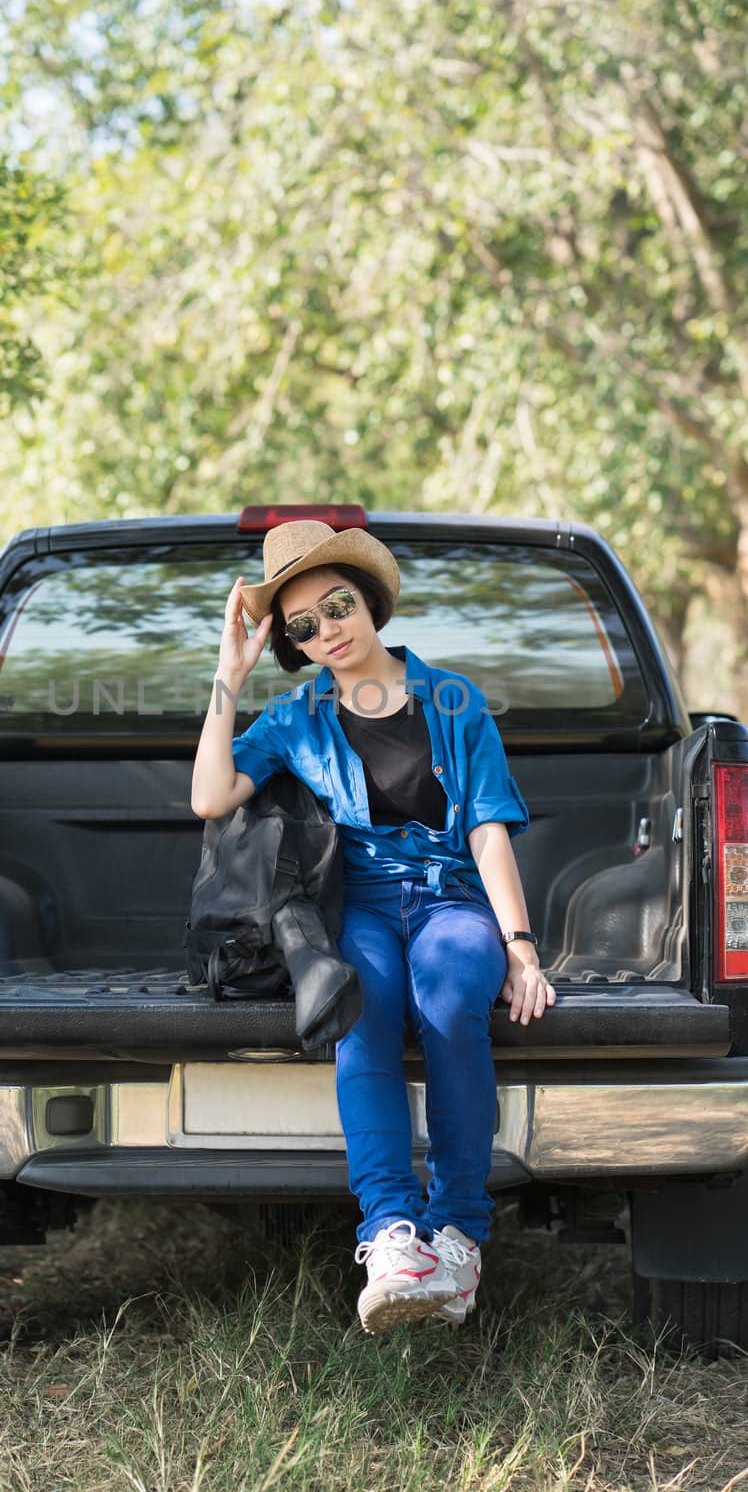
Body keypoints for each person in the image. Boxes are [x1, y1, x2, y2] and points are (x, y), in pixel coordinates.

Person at [190, 519, 556, 1336]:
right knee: (358, 1013)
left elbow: (486, 827)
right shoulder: (294, 718)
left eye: (338, 605)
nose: (327, 631)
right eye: (302, 627)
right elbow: (211, 797)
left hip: (449, 902)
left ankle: (457, 1237)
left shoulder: (452, 698)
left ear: (371, 601)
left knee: (455, 1001)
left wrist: (519, 949)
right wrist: (228, 674)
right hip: (354, 907)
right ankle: (390, 1240)